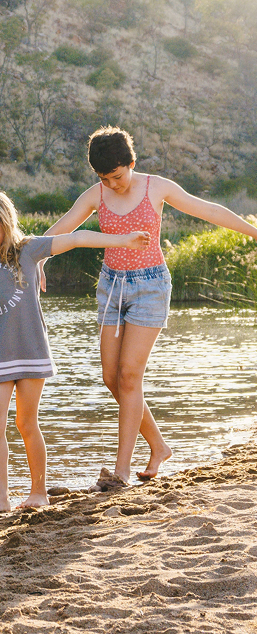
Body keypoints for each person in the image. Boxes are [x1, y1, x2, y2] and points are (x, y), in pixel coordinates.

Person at [46, 125, 257, 490]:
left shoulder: (155, 187)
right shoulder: (95, 194)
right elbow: (61, 230)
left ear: (131, 162)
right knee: (112, 378)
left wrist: (253, 232)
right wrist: (27, 258)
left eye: (116, 175)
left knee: (130, 376)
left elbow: (207, 210)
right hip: (111, 288)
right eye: (103, 178)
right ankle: (159, 447)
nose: (112, 184)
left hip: (150, 287)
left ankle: (121, 471)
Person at [0, 188, 149, 515]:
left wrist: (122, 239)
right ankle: (1, 497)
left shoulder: (29, 250)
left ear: (6, 223)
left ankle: (38, 492)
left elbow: (75, 239)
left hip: (31, 351)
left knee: (25, 423)